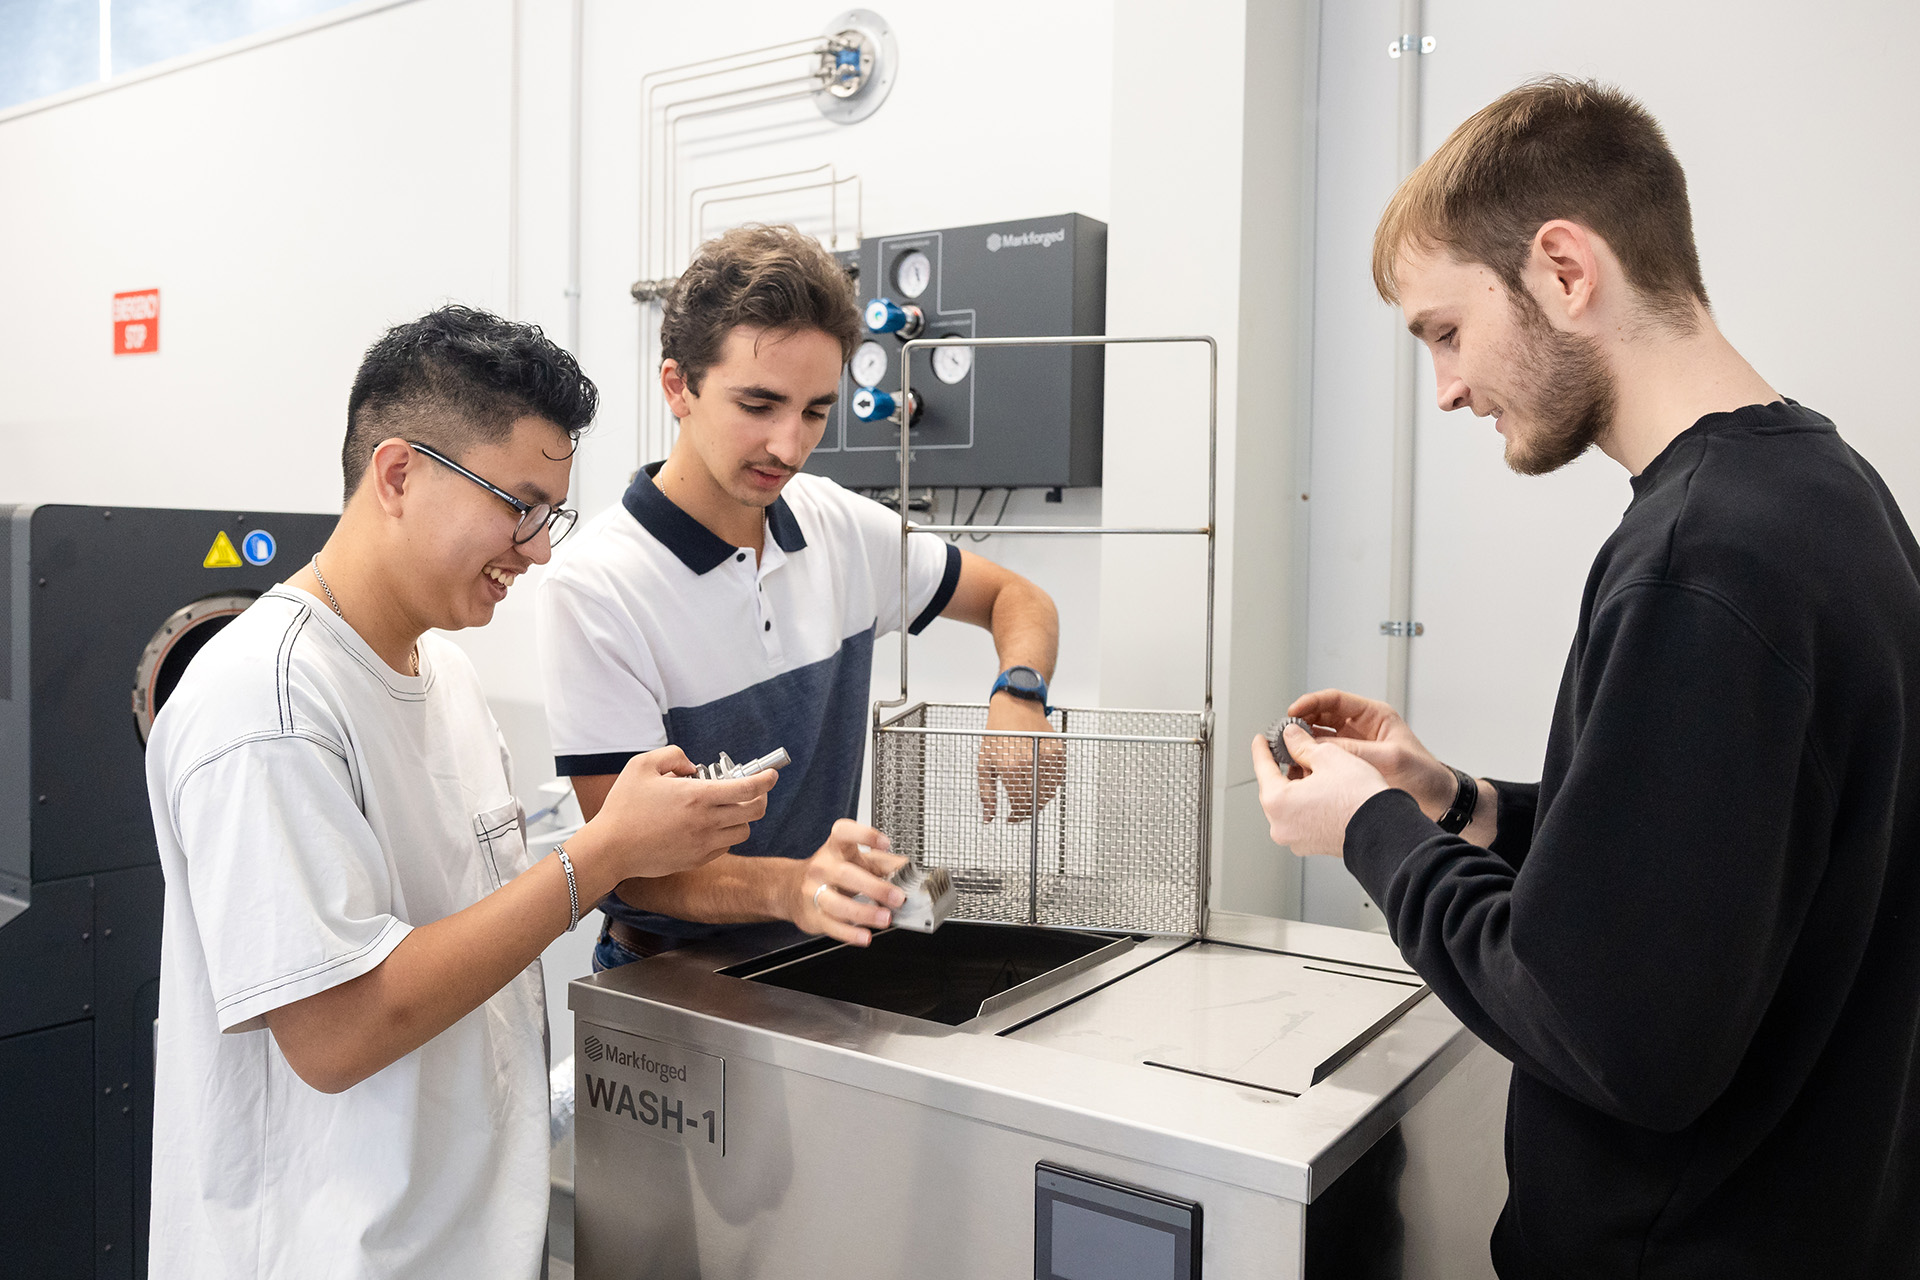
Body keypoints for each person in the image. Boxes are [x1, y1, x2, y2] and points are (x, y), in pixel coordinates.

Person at [1252, 78, 1920, 1278]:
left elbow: (1608, 1027)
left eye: (1446, 333)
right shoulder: (1827, 497)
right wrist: (1457, 798)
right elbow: (1709, 867)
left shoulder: (1697, 564)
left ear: (1564, 269)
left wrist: (1372, 830)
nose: (1448, 388)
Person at [145, 306, 778, 1279]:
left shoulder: (441, 672)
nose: (539, 549)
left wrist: (616, 820)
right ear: (398, 473)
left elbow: (445, 893)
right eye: (519, 503)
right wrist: (601, 853)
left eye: (552, 515)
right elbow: (338, 1028)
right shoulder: (265, 702)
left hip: (466, 1237)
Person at [537, 224, 1065, 967]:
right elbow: (631, 866)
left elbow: (1018, 599)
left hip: (815, 948)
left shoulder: (837, 524)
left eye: (816, 410)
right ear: (677, 387)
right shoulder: (596, 588)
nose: (790, 446)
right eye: (758, 405)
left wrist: (1019, 692)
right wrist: (793, 888)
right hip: (668, 981)